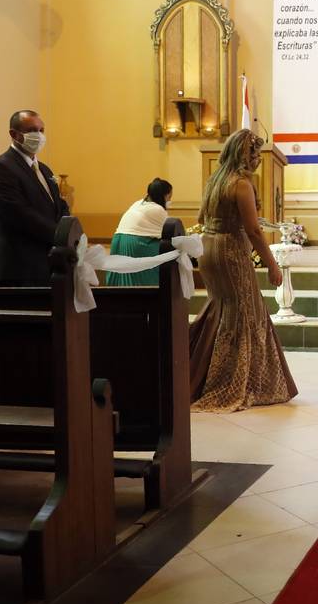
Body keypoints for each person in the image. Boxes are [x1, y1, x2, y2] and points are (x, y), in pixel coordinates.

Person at [189, 129, 297, 412]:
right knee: (243, 312)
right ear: (243, 155)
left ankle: (198, 372)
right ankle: (232, 380)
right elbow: (253, 231)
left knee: (222, 308)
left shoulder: (216, 180)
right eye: (254, 154)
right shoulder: (240, 184)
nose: (258, 160)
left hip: (209, 248)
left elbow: (203, 217)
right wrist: (272, 265)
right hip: (230, 252)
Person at [0, 110, 69, 287]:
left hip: (49, 263)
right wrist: (60, 236)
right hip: (20, 267)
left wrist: (70, 230)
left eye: (41, 130)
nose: (38, 135)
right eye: (32, 130)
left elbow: (60, 206)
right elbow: (19, 215)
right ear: (14, 134)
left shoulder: (45, 170)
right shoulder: (1, 167)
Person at [106, 178, 173, 287]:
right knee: (171, 252)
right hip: (135, 244)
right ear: (163, 196)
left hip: (117, 242)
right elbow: (170, 233)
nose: (169, 200)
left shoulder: (137, 203)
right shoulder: (158, 210)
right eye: (169, 197)